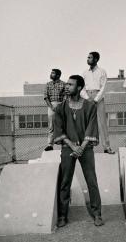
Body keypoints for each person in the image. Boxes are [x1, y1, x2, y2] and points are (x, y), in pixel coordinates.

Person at [54, 75, 104, 228]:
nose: (67, 87)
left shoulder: (90, 106)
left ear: (79, 87)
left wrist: (82, 146)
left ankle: (97, 214)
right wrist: (73, 146)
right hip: (68, 147)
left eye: (70, 84)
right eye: (67, 84)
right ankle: (62, 215)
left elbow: (91, 127)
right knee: (65, 182)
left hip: (86, 147)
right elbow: (59, 129)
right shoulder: (60, 107)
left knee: (92, 181)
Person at [81, 52, 115, 154]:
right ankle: (85, 147)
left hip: (98, 97)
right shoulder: (84, 73)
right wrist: (87, 97)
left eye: (90, 58)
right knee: (86, 123)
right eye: (87, 57)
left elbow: (104, 87)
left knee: (102, 123)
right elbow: (81, 88)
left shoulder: (102, 71)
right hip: (87, 97)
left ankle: (107, 147)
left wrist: (95, 99)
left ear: (96, 59)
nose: (88, 59)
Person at [44, 69, 66, 151]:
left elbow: (66, 97)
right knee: (51, 126)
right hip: (51, 106)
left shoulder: (63, 84)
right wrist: (51, 107)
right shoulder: (48, 84)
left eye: (53, 73)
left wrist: (60, 106)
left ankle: (64, 143)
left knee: (62, 125)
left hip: (61, 105)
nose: (51, 74)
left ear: (58, 75)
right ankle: (50, 144)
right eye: (51, 73)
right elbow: (46, 97)